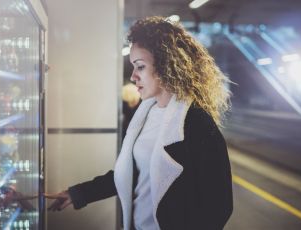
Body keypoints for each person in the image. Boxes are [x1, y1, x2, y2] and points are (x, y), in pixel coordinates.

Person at [45, 16, 233, 230]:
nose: (133, 76)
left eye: (140, 67)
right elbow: (132, 172)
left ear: (166, 67)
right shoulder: (145, 113)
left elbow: (219, 206)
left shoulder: (196, 122)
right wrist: (78, 193)